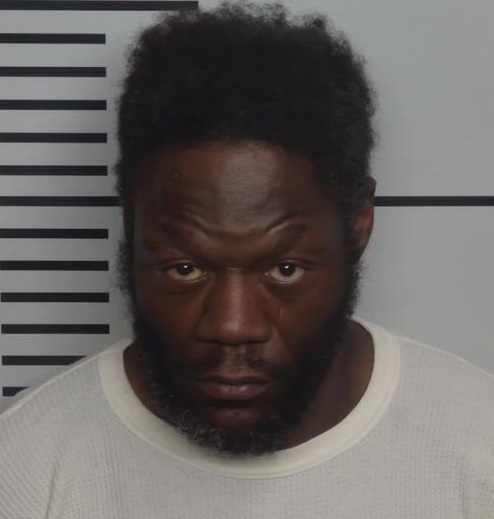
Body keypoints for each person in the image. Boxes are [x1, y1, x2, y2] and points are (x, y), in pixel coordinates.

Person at [1, 2, 493, 517]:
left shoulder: (479, 444)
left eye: (285, 270)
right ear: (132, 224)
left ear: (357, 225)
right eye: (185, 269)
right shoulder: (27, 470)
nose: (232, 326)